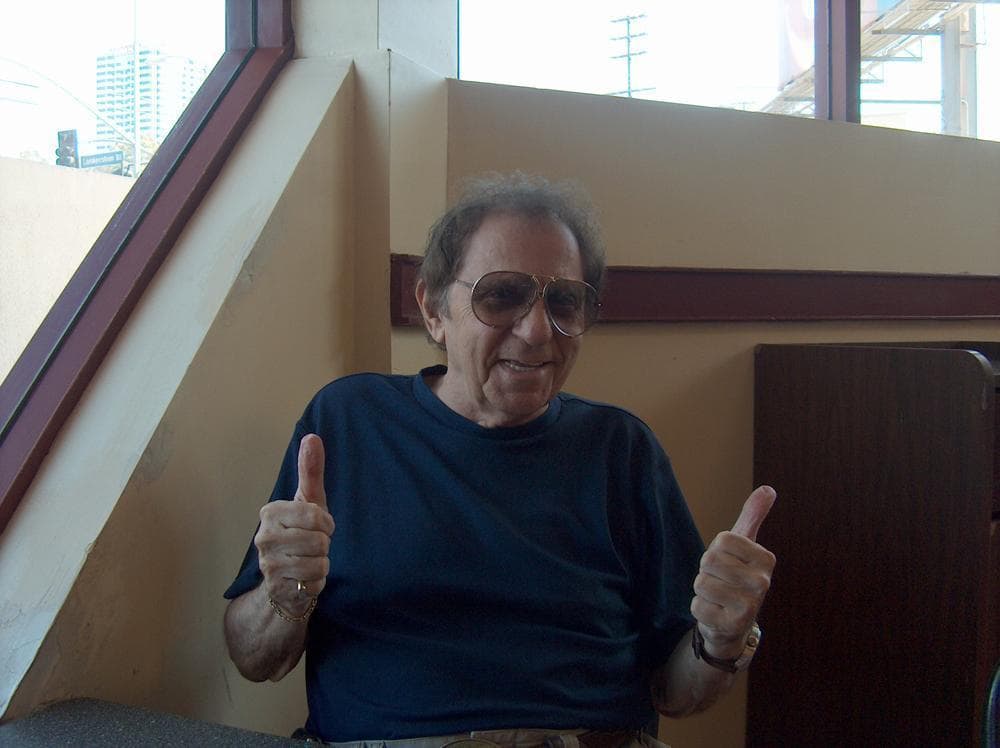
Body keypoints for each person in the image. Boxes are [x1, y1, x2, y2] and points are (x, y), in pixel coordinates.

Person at [223, 173, 776, 747]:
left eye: (564, 301)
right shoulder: (349, 422)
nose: (537, 330)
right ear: (433, 309)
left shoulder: (620, 449)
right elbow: (254, 659)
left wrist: (721, 640)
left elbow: (676, 692)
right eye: (501, 295)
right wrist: (285, 593)